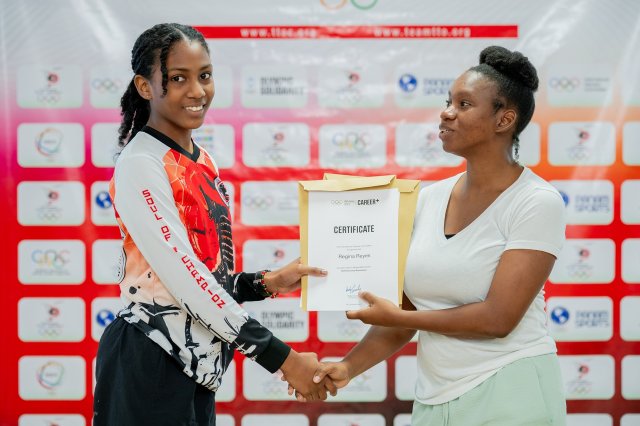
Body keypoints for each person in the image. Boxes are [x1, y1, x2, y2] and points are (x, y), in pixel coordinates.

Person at [306, 46, 567, 425]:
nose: (446, 112)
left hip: (512, 389)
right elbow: (408, 313)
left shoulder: (536, 201)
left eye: (464, 104)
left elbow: (498, 319)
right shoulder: (430, 199)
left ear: (504, 119)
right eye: (448, 102)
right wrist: (348, 367)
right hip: (433, 398)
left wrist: (397, 316)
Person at [93, 23, 334, 426]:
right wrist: (284, 360)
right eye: (178, 78)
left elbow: (205, 275)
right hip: (150, 361)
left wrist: (266, 282)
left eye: (204, 75)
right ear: (145, 86)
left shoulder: (202, 160)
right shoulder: (141, 163)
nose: (197, 91)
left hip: (196, 369)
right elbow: (185, 281)